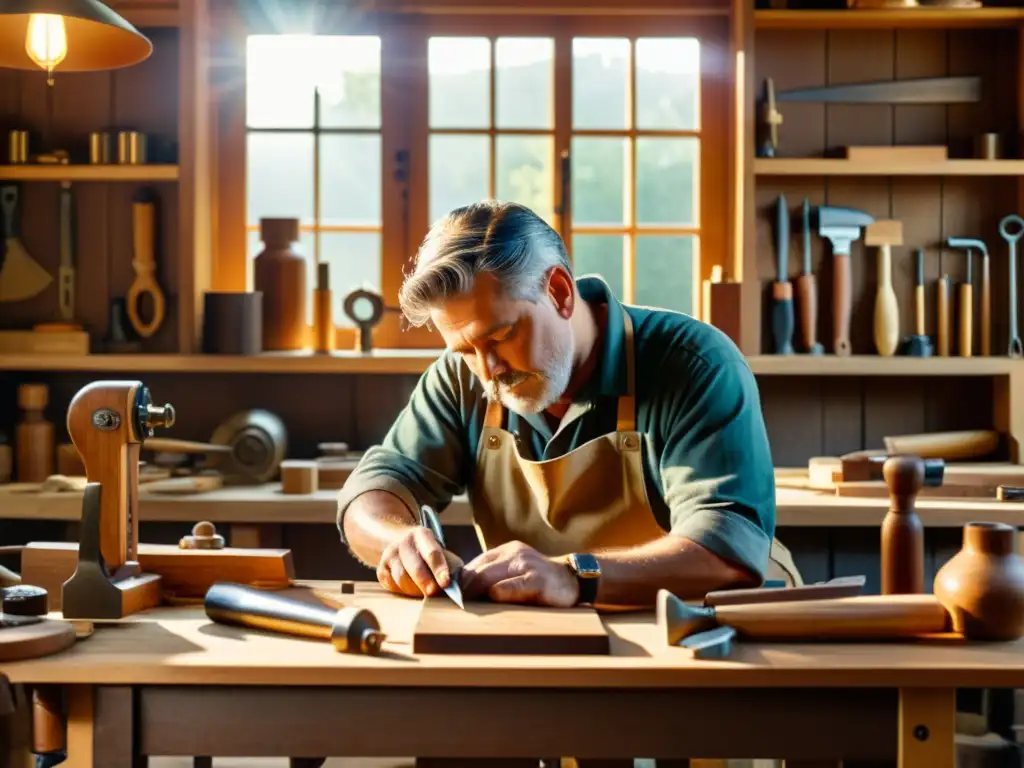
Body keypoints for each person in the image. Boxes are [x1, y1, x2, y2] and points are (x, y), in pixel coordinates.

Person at [337, 200, 801, 609]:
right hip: (561, 634)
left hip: (720, 633)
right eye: (464, 350)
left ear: (559, 291)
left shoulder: (694, 364)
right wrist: (397, 540)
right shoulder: (465, 375)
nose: (489, 369)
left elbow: (727, 549)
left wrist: (575, 575)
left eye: (502, 335)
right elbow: (373, 490)